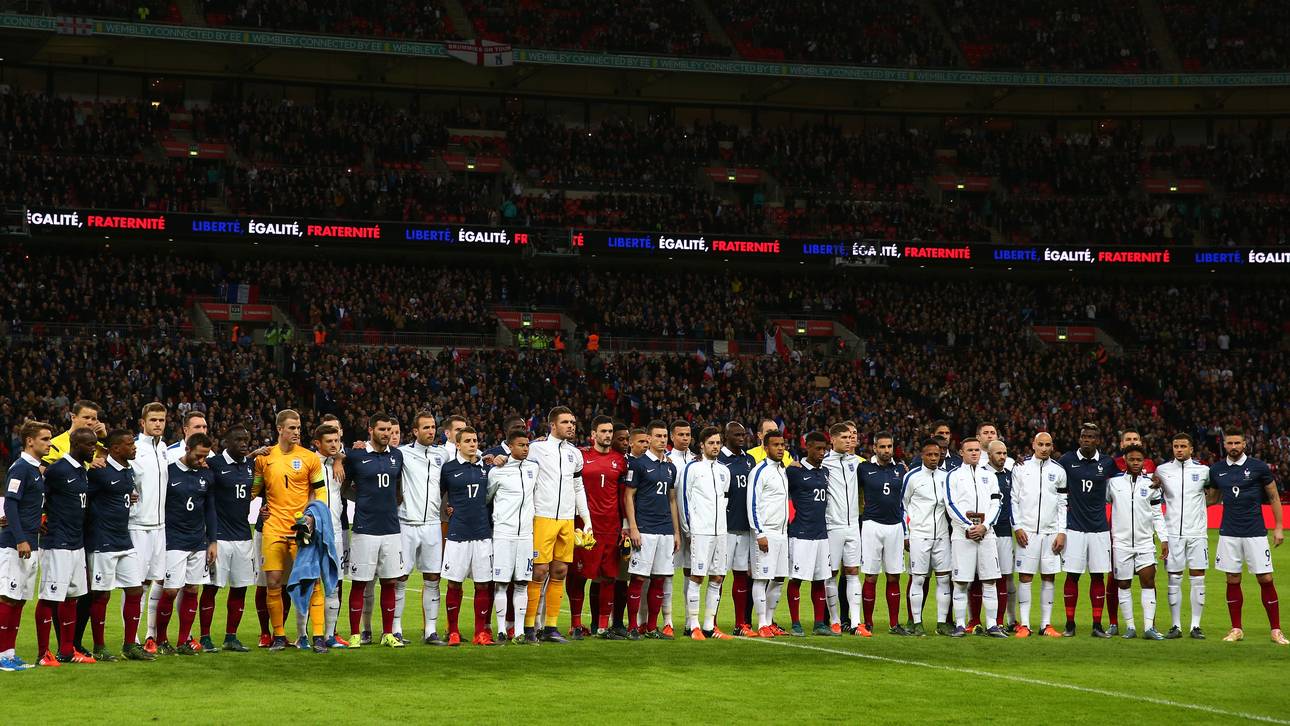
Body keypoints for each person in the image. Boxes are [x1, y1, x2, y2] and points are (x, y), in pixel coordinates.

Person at [254, 409, 327, 652]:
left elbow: (321, 491)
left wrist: (313, 516)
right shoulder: (264, 459)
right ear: (279, 429)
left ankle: (318, 636)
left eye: (299, 428)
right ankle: (279, 636)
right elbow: (253, 490)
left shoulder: (309, 458)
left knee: (312, 581)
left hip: (301, 529)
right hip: (273, 528)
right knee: (273, 582)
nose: (297, 432)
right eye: (292, 428)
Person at [1209, 429, 1286, 644]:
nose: (1233, 447)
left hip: (1255, 531)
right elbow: (1212, 499)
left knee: (1266, 578)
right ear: (1224, 445)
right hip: (1228, 532)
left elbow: (1274, 497)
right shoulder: (1216, 470)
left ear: (1244, 444)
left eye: (1237, 443)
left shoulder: (1258, 467)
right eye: (1229, 443)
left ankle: (1276, 630)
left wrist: (1279, 527)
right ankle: (1236, 629)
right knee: (1232, 579)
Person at [524, 406, 592, 643]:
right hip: (542, 517)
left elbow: (578, 487)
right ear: (552, 425)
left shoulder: (575, 454)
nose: (571, 426)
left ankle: (550, 627)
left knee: (560, 571)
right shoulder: (536, 449)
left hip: (566, 519)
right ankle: (529, 626)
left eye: (572, 422)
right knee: (539, 571)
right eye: (565, 422)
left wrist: (587, 520)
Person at [344, 414, 405, 649]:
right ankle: (355, 634)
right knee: (360, 582)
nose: (386, 433)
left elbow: (398, 488)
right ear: (370, 430)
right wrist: (364, 501)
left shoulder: (396, 456)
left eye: (389, 429)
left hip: (391, 529)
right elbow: (344, 486)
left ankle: (388, 633)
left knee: (390, 582)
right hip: (364, 529)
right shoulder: (356, 455)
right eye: (382, 429)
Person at [37, 428, 98, 665]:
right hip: (57, 542)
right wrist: (40, 518)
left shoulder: (82, 470)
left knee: (72, 597)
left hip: (76, 542)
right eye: (89, 444)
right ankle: (43, 654)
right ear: (76, 444)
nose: (93, 449)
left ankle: (67, 651)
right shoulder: (58, 470)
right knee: (50, 597)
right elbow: (39, 496)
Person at [85, 430, 147, 662]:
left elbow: (118, 494)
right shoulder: (99, 472)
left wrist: (126, 497)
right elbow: (85, 499)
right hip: (102, 541)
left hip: (123, 539)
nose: (134, 447)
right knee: (101, 594)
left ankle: (130, 645)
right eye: (130, 444)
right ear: (115, 448)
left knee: (135, 589)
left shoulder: (128, 470)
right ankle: (99, 647)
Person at [157, 433, 218, 656]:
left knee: (192, 589)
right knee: (171, 591)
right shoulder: (169, 472)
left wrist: (212, 541)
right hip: (173, 540)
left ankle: (184, 641)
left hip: (198, 541)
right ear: (187, 449)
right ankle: (161, 640)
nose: (202, 460)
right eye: (198, 456)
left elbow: (210, 509)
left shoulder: (206, 475)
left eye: (205, 457)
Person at [0, 421, 53, 671]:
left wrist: (35, 526)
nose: (49, 443)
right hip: (15, 545)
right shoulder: (21, 468)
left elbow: (26, 506)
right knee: (8, 598)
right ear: (30, 441)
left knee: (19, 600)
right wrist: (20, 538)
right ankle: (1, 654)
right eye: (45, 439)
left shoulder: (34, 470)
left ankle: (10, 652)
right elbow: (10, 504)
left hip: (31, 542)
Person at [202, 426, 258, 653]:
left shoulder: (250, 465)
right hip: (220, 537)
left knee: (240, 587)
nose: (244, 443)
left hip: (244, 535)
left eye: (246, 439)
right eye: (238, 439)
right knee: (211, 588)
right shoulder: (213, 464)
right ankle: (205, 637)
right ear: (226, 442)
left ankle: (231, 637)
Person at [1058, 423, 1116, 638]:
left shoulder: (1107, 463)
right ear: (1079, 439)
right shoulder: (1067, 460)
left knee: (1098, 576)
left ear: (1097, 440)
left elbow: (1125, 478)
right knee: (1072, 575)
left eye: (1091, 437)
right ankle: (1070, 624)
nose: (1086, 440)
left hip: (1099, 529)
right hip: (1074, 528)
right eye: (1083, 436)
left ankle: (1097, 625)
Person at [439, 427, 496, 646]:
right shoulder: (448, 469)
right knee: (454, 584)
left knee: (483, 585)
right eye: (468, 441)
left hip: (482, 533)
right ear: (458, 445)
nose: (473, 444)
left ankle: (480, 632)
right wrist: (447, 510)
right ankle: (453, 631)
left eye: (475, 440)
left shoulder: (486, 468)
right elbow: (438, 495)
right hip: (458, 533)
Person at [572, 416, 627, 639]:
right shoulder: (581, 456)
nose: (607, 435)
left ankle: (603, 627)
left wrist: (624, 526)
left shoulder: (620, 461)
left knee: (609, 576)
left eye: (610, 431)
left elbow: (623, 496)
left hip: (611, 526)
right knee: (578, 575)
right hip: (585, 526)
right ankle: (576, 624)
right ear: (593, 434)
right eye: (603, 431)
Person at [624, 420, 680, 639]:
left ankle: (651, 627)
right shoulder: (638, 464)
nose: (662, 440)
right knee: (638, 579)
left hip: (665, 530)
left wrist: (676, 532)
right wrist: (633, 528)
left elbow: (672, 500)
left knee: (659, 579)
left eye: (665, 436)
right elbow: (628, 496)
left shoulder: (670, 467)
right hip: (645, 528)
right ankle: (632, 627)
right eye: (658, 436)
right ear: (649, 438)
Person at [1106, 445, 1168, 640]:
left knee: (1148, 582)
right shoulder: (1113, 483)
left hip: (1144, 542)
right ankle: (1130, 627)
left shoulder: (1151, 485)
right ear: (1125, 460)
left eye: (1138, 460)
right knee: (1123, 584)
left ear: (1144, 462)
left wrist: (1164, 538)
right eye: (1131, 459)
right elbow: (1104, 503)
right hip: (1121, 543)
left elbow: (1157, 514)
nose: (1135, 463)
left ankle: (1149, 627)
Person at [1010, 432, 1068, 638]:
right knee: (1025, 576)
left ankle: (1046, 625)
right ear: (1033, 445)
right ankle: (1025, 624)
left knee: (1049, 577)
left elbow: (1062, 504)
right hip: (1026, 531)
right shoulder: (1020, 468)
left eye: (1048, 445)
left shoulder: (1059, 471)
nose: (1044, 448)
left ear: (1052, 447)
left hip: (1051, 532)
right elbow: (1013, 499)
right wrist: (1017, 527)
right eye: (1040, 444)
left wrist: (1062, 532)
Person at [1152, 432, 1210, 639]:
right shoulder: (1162, 470)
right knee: (1174, 578)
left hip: (1197, 532)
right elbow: (1154, 494)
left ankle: (1195, 626)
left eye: (1183, 446)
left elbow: (1214, 494)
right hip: (1173, 532)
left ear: (1191, 449)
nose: (1179, 450)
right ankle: (1176, 625)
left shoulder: (1204, 471)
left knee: (1198, 578)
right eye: (1176, 446)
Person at [679, 426, 732, 640]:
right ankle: (693, 625)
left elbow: (725, 500)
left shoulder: (724, 471)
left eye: (718, 443)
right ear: (701, 445)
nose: (715, 446)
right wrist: (689, 530)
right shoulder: (692, 469)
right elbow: (684, 500)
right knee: (697, 576)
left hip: (721, 532)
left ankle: (710, 626)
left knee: (717, 577)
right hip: (700, 531)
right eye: (711, 443)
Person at [398, 411, 447, 646]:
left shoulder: (442, 454)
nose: (430, 431)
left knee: (433, 577)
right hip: (406, 523)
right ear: (415, 431)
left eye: (433, 427)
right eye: (425, 427)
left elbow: (469, 456)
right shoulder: (402, 453)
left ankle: (430, 631)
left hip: (432, 524)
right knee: (400, 577)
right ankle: (396, 629)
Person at [488, 430, 537, 645]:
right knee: (501, 584)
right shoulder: (497, 472)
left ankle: (518, 631)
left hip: (525, 535)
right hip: (503, 534)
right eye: (521, 445)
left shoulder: (533, 468)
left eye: (527, 445)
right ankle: (500, 629)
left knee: (522, 583)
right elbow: (487, 497)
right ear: (510, 446)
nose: (525, 448)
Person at [858, 432, 907, 636]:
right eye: (882, 447)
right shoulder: (863, 468)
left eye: (889, 447)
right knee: (870, 576)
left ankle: (894, 624)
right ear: (874, 448)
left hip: (895, 526)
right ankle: (868, 623)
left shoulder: (901, 469)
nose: (886, 450)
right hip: (872, 525)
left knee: (894, 576)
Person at [786, 431, 835, 637]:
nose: (822, 452)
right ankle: (796, 623)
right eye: (818, 449)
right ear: (808, 447)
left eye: (825, 449)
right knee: (796, 578)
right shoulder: (794, 471)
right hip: (800, 533)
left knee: (820, 579)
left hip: (821, 533)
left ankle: (819, 624)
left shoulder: (825, 472)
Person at [901, 438, 951, 637]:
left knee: (944, 580)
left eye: (936, 455)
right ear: (922, 455)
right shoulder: (912, 477)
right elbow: (902, 506)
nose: (933, 458)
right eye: (929, 454)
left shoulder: (947, 477)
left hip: (942, 535)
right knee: (919, 579)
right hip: (919, 535)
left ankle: (942, 623)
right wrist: (906, 533)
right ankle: (916, 622)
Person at [131, 402, 169, 654]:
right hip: (138, 525)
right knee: (137, 584)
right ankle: (132, 637)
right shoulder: (134, 449)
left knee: (158, 579)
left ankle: (150, 635)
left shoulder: (164, 448)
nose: (158, 424)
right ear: (142, 423)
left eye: (161, 420)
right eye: (153, 420)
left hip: (160, 525)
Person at [820, 422, 861, 635]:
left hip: (853, 525)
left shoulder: (856, 462)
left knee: (853, 572)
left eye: (850, 437)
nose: (848, 440)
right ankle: (835, 620)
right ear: (833, 439)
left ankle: (856, 623)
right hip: (833, 526)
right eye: (844, 437)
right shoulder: (824, 463)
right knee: (831, 574)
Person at [748, 429, 790, 638]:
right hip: (766, 532)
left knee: (779, 578)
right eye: (775, 445)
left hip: (782, 533)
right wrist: (759, 533)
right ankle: (762, 623)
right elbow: (752, 503)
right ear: (765, 448)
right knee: (762, 578)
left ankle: (770, 621)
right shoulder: (759, 471)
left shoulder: (782, 470)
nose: (780, 448)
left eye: (782, 445)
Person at [719, 422, 757, 636]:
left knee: (742, 575)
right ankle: (712, 623)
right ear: (726, 436)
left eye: (743, 434)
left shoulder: (749, 460)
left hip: (745, 527)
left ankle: (740, 624)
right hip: (724, 527)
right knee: (718, 577)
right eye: (737, 435)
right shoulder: (719, 459)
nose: (742, 438)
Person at [663, 420, 695, 638]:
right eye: (681, 434)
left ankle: (690, 621)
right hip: (670, 524)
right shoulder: (666, 460)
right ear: (672, 437)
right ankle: (668, 621)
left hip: (693, 525)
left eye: (688, 434)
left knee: (691, 572)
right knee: (667, 572)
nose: (685, 438)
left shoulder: (697, 460)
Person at [985, 440, 1014, 631]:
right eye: (998, 453)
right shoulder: (981, 475)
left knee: (1003, 576)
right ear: (989, 455)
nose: (1002, 457)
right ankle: (975, 621)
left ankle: (1000, 621)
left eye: (1004, 453)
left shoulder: (1010, 475)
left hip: (1005, 532)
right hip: (985, 532)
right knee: (982, 578)